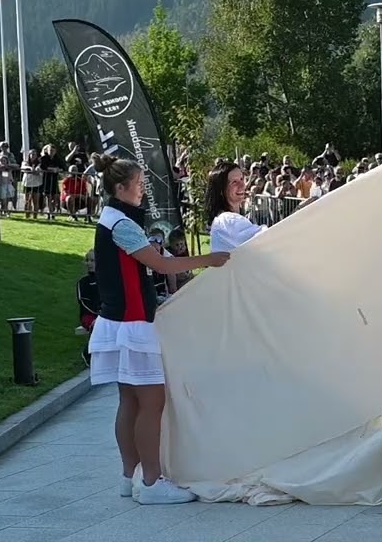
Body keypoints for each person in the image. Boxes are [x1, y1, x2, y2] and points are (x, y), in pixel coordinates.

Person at [88, 154, 229, 504]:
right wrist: (209, 261)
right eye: (138, 185)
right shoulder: (121, 224)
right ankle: (151, 483)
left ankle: (129, 477)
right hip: (133, 323)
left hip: (117, 322)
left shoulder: (111, 218)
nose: (142, 190)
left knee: (130, 401)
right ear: (121, 188)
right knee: (151, 403)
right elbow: (160, 264)